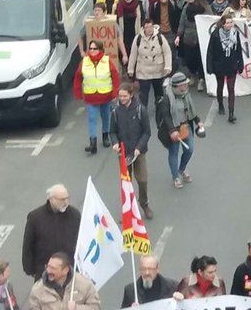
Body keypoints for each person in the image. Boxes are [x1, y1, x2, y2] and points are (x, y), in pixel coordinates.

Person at [110, 84, 154, 218]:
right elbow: (112, 132)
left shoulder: (141, 110)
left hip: (138, 153)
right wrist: (115, 143)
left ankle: (144, 204)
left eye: (124, 96)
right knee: (126, 183)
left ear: (131, 95)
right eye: (120, 96)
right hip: (123, 153)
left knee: (142, 180)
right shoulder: (115, 112)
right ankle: (127, 210)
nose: (121, 98)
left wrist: (139, 148)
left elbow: (147, 132)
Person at [21, 184, 81, 280]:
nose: (65, 202)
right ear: (51, 199)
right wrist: (30, 269)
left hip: (69, 271)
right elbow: (28, 245)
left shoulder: (75, 215)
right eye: (62, 199)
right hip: (45, 271)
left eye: (67, 198)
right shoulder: (35, 217)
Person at [156, 71, 205, 189]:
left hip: (185, 127)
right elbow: (166, 116)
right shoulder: (167, 98)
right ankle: (175, 176)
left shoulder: (186, 94)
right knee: (174, 152)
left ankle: (182, 169)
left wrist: (198, 121)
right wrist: (172, 130)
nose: (187, 86)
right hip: (173, 129)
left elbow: (190, 111)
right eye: (184, 84)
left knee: (189, 150)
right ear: (177, 86)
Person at [73, 38, 119, 153]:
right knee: (92, 118)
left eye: (95, 48)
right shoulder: (84, 62)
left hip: (106, 95)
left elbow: (115, 77)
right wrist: (78, 92)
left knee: (106, 117)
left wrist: (115, 92)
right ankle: (92, 142)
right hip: (90, 96)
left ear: (100, 49)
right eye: (90, 48)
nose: (92, 50)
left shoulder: (107, 61)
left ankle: (105, 136)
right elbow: (78, 77)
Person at [205, 12, 244, 123]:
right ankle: (221, 104)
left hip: (231, 64)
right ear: (222, 24)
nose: (230, 24)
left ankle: (231, 113)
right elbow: (210, 51)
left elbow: (239, 50)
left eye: (231, 22)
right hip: (219, 65)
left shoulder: (235, 34)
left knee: (231, 88)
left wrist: (240, 64)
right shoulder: (216, 35)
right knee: (220, 86)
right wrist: (210, 66)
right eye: (227, 23)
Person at [128, 18, 174, 107]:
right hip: (143, 71)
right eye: (147, 27)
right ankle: (142, 112)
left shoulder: (160, 37)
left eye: (151, 26)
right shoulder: (138, 38)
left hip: (158, 71)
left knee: (159, 94)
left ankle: (160, 112)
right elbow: (133, 54)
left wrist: (168, 66)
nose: (149, 29)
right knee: (143, 95)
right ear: (143, 28)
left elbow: (167, 52)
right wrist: (130, 69)